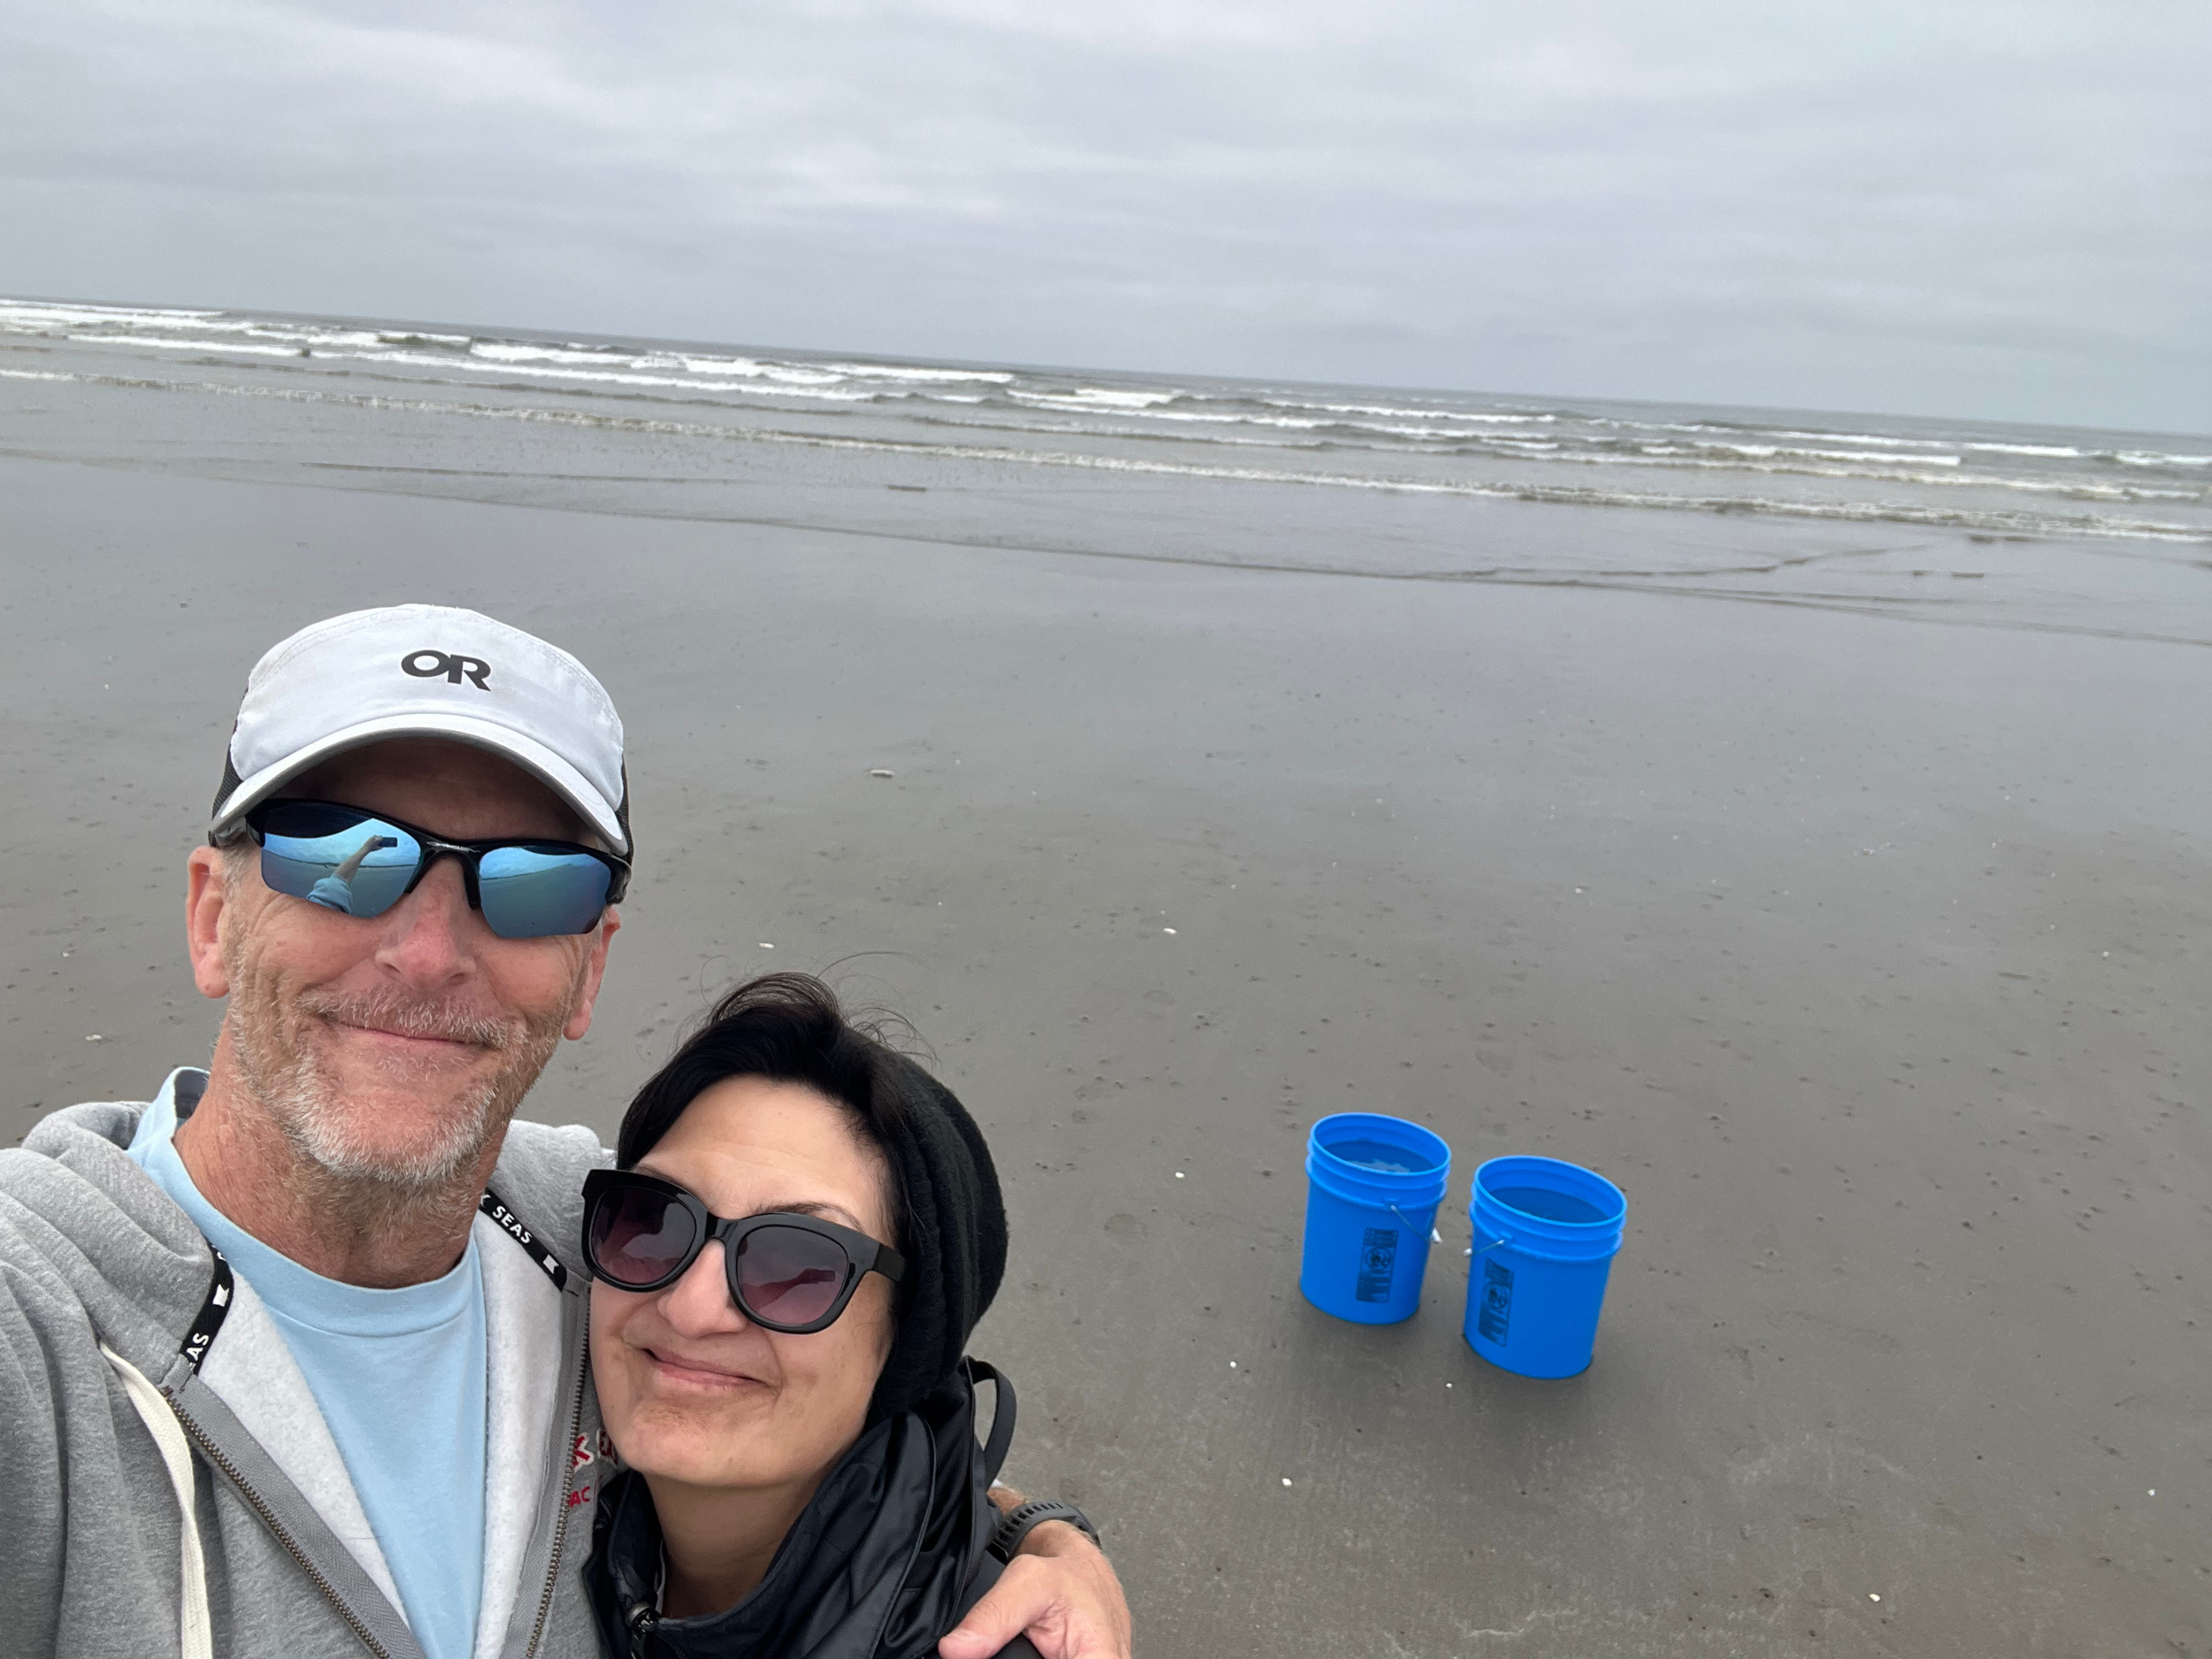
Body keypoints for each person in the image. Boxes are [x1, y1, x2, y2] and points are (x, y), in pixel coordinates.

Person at [0, 605, 1130, 1659]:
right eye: (343, 859)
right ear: (211, 917)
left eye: (532, 886)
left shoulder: (618, 1238)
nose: (430, 952)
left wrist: (1045, 1537)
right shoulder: (40, 1317)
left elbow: (849, 1396)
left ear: (587, 969)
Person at [580, 973, 1077, 1659]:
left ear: (903, 1346)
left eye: (794, 1263)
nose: (691, 1307)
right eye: (656, 1222)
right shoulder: (562, 1505)